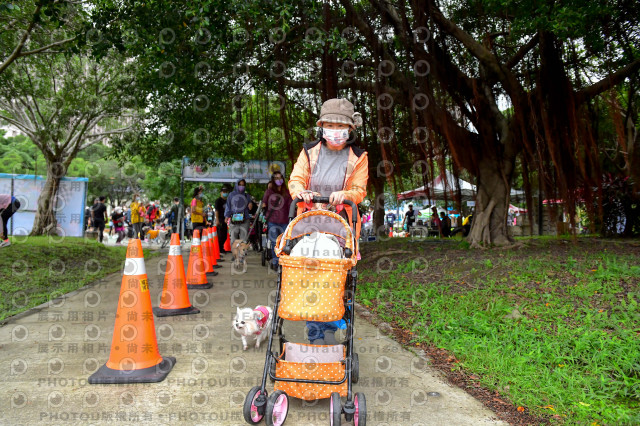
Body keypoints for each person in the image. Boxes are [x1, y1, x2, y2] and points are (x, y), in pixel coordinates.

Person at [288, 98, 368, 345]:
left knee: (335, 281)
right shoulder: (309, 152)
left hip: (340, 226)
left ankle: (333, 325)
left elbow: (359, 189)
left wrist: (346, 195)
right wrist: (301, 192)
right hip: (310, 223)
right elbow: (296, 180)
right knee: (312, 280)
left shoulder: (358, 156)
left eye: (340, 125)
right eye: (330, 125)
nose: (335, 130)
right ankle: (316, 336)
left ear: (350, 129)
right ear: (322, 126)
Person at [261, 171, 292, 270]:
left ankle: (283, 262)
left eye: (280, 178)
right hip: (272, 220)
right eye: (276, 178)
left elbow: (290, 205)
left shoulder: (287, 192)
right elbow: (264, 204)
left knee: (284, 243)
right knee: (274, 242)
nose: (279, 180)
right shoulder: (269, 192)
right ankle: (276, 263)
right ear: (273, 180)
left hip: (284, 220)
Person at [224, 179, 252, 248]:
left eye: (243, 185)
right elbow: (228, 206)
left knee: (244, 239)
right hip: (234, 219)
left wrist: (250, 204)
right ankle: (235, 254)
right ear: (236, 185)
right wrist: (226, 216)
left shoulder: (247, 196)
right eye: (240, 185)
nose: (241, 186)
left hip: (245, 219)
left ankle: (241, 256)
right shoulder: (231, 195)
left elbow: (250, 208)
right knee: (234, 238)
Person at [215, 185, 231, 253]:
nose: (225, 193)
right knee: (221, 235)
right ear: (221, 193)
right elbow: (216, 211)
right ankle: (219, 249)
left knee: (225, 236)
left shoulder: (227, 201)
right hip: (221, 219)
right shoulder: (218, 201)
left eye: (226, 192)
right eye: (223, 191)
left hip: (226, 219)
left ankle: (221, 248)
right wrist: (217, 220)